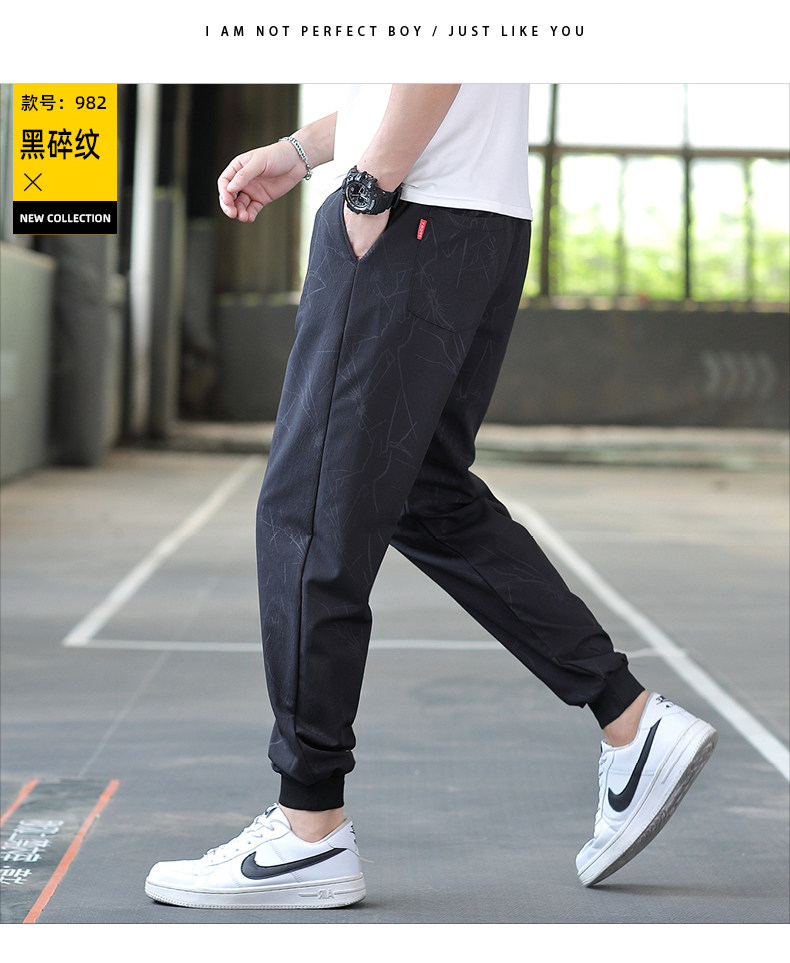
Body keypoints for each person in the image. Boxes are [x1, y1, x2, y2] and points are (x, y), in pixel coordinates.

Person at [144, 84, 717, 910]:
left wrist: (368, 188)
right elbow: (403, 78)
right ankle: (627, 716)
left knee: (310, 512)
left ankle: (308, 825)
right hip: (479, 224)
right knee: (423, 490)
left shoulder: (391, 189)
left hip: (410, 213)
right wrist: (299, 152)